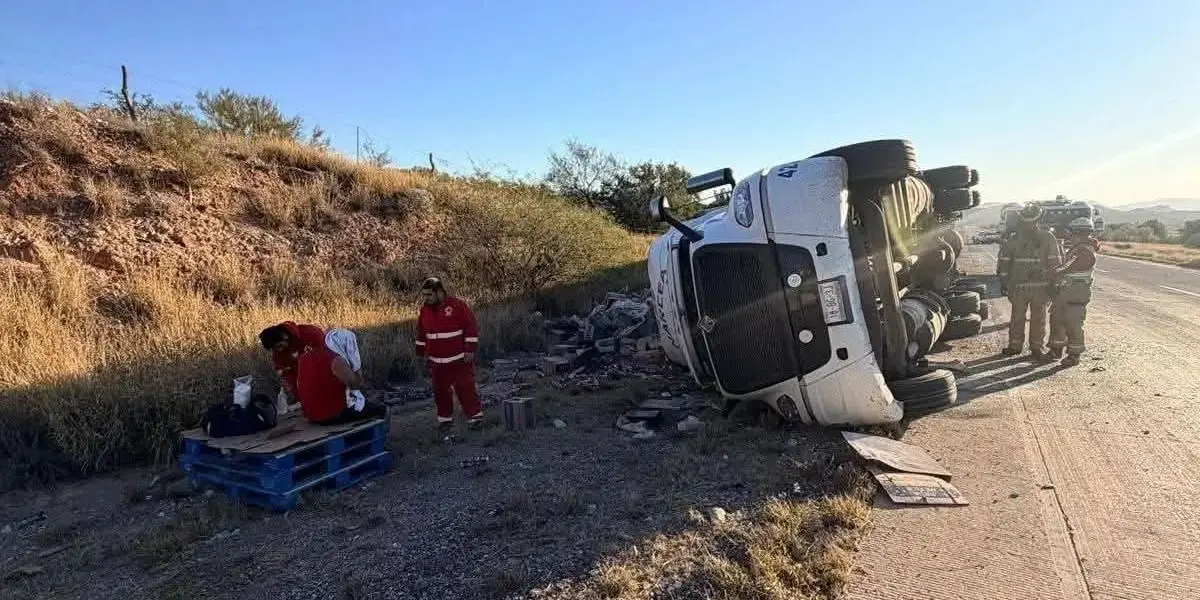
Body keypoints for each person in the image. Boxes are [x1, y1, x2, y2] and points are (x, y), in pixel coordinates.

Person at [414, 277, 483, 432]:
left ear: (439, 292)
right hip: (437, 362)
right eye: (424, 295)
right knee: (440, 392)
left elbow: (470, 326)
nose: (426, 298)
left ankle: (475, 417)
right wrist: (420, 354)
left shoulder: (457, 306)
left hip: (459, 359)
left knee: (465, 388)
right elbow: (421, 333)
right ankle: (445, 421)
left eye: (429, 295)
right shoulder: (425, 310)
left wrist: (470, 349)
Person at [997, 203, 1062, 358]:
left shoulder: (1043, 238)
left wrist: (1004, 283)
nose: (1029, 225)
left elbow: (1004, 264)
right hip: (1028, 287)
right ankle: (1025, 346)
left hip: (1033, 287)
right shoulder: (1047, 237)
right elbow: (1004, 263)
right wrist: (1005, 283)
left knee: (1030, 318)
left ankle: (1031, 347)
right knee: (1024, 318)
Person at [1047, 218, 1097, 366]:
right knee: (1057, 320)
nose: (1069, 236)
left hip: (1076, 294)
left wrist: (1048, 274)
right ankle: (1056, 350)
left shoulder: (1085, 252)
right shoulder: (1077, 248)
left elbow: (1066, 268)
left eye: (1072, 233)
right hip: (1065, 292)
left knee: (1073, 324)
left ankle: (1074, 355)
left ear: (1080, 233)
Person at [258, 322, 326, 401]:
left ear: (285, 337)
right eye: (275, 349)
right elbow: (283, 372)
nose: (279, 350)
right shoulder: (278, 351)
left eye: (279, 346)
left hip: (322, 377)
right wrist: (299, 396)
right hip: (305, 386)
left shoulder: (311, 334)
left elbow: (327, 357)